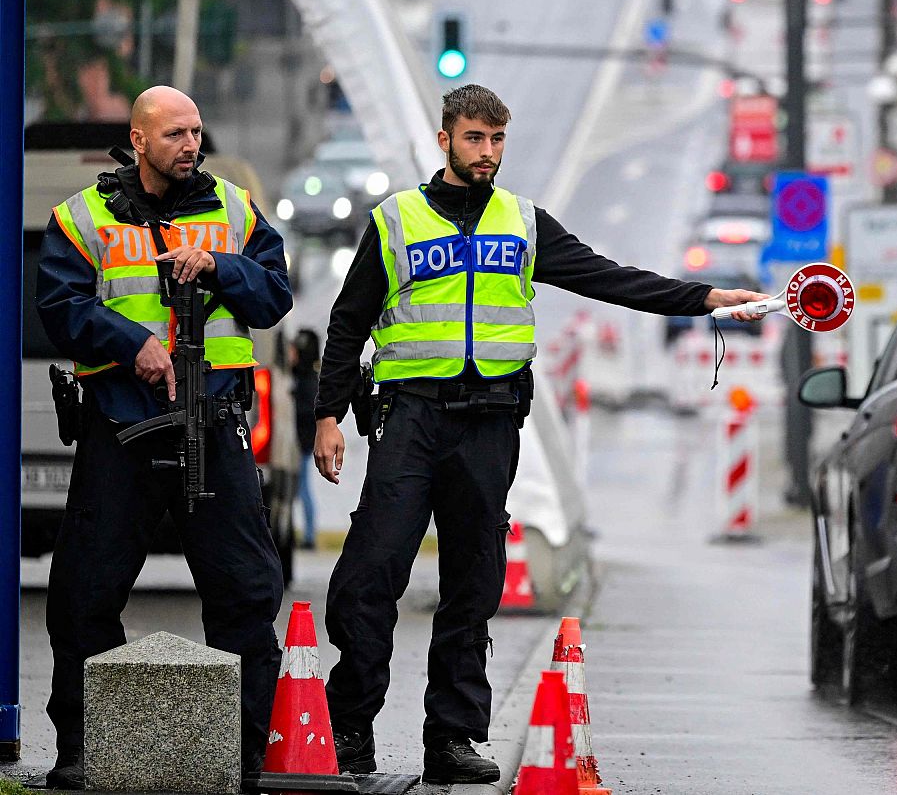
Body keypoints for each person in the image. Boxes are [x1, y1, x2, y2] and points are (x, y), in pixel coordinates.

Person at [311, 84, 768, 783]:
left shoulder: (523, 222)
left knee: (474, 584)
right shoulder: (397, 220)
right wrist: (327, 416)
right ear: (445, 141)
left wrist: (703, 298)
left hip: (489, 423)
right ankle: (349, 729)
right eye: (474, 139)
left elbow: (608, 278)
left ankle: (455, 739)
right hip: (409, 421)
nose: (487, 153)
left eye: (496, 141)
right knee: (370, 577)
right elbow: (348, 323)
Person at [35, 86, 293, 787]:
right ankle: (84, 752)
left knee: (245, 592)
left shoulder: (233, 209)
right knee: (83, 595)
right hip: (122, 425)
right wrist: (132, 345)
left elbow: (274, 296)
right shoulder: (82, 216)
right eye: (176, 133)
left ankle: (246, 756)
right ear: (140, 139)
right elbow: (60, 306)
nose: (191, 145)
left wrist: (220, 267)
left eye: (196, 131)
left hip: (213, 424)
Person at [290, 328, 322, 548]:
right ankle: (308, 534)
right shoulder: (306, 376)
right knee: (301, 488)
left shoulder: (307, 380)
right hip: (303, 440)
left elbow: (306, 412)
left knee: (301, 488)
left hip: (301, 441)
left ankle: (309, 536)